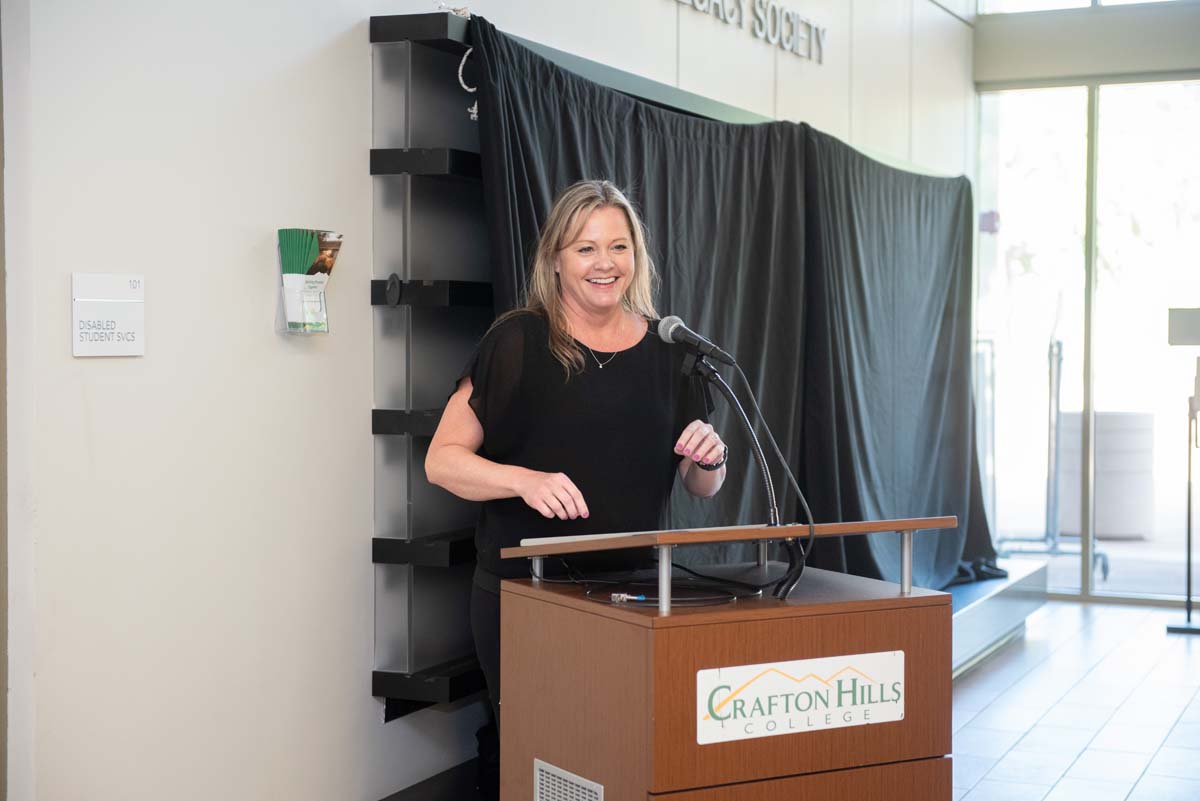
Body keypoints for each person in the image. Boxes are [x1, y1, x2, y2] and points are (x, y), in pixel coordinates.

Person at [425, 179, 728, 796]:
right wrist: (522, 479)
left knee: (620, 754)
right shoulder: (516, 342)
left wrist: (711, 457)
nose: (604, 264)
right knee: (538, 754)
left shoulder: (671, 354)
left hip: (634, 595)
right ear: (555, 259)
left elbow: (702, 486)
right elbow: (442, 461)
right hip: (527, 594)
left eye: (618, 247)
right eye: (586, 248)